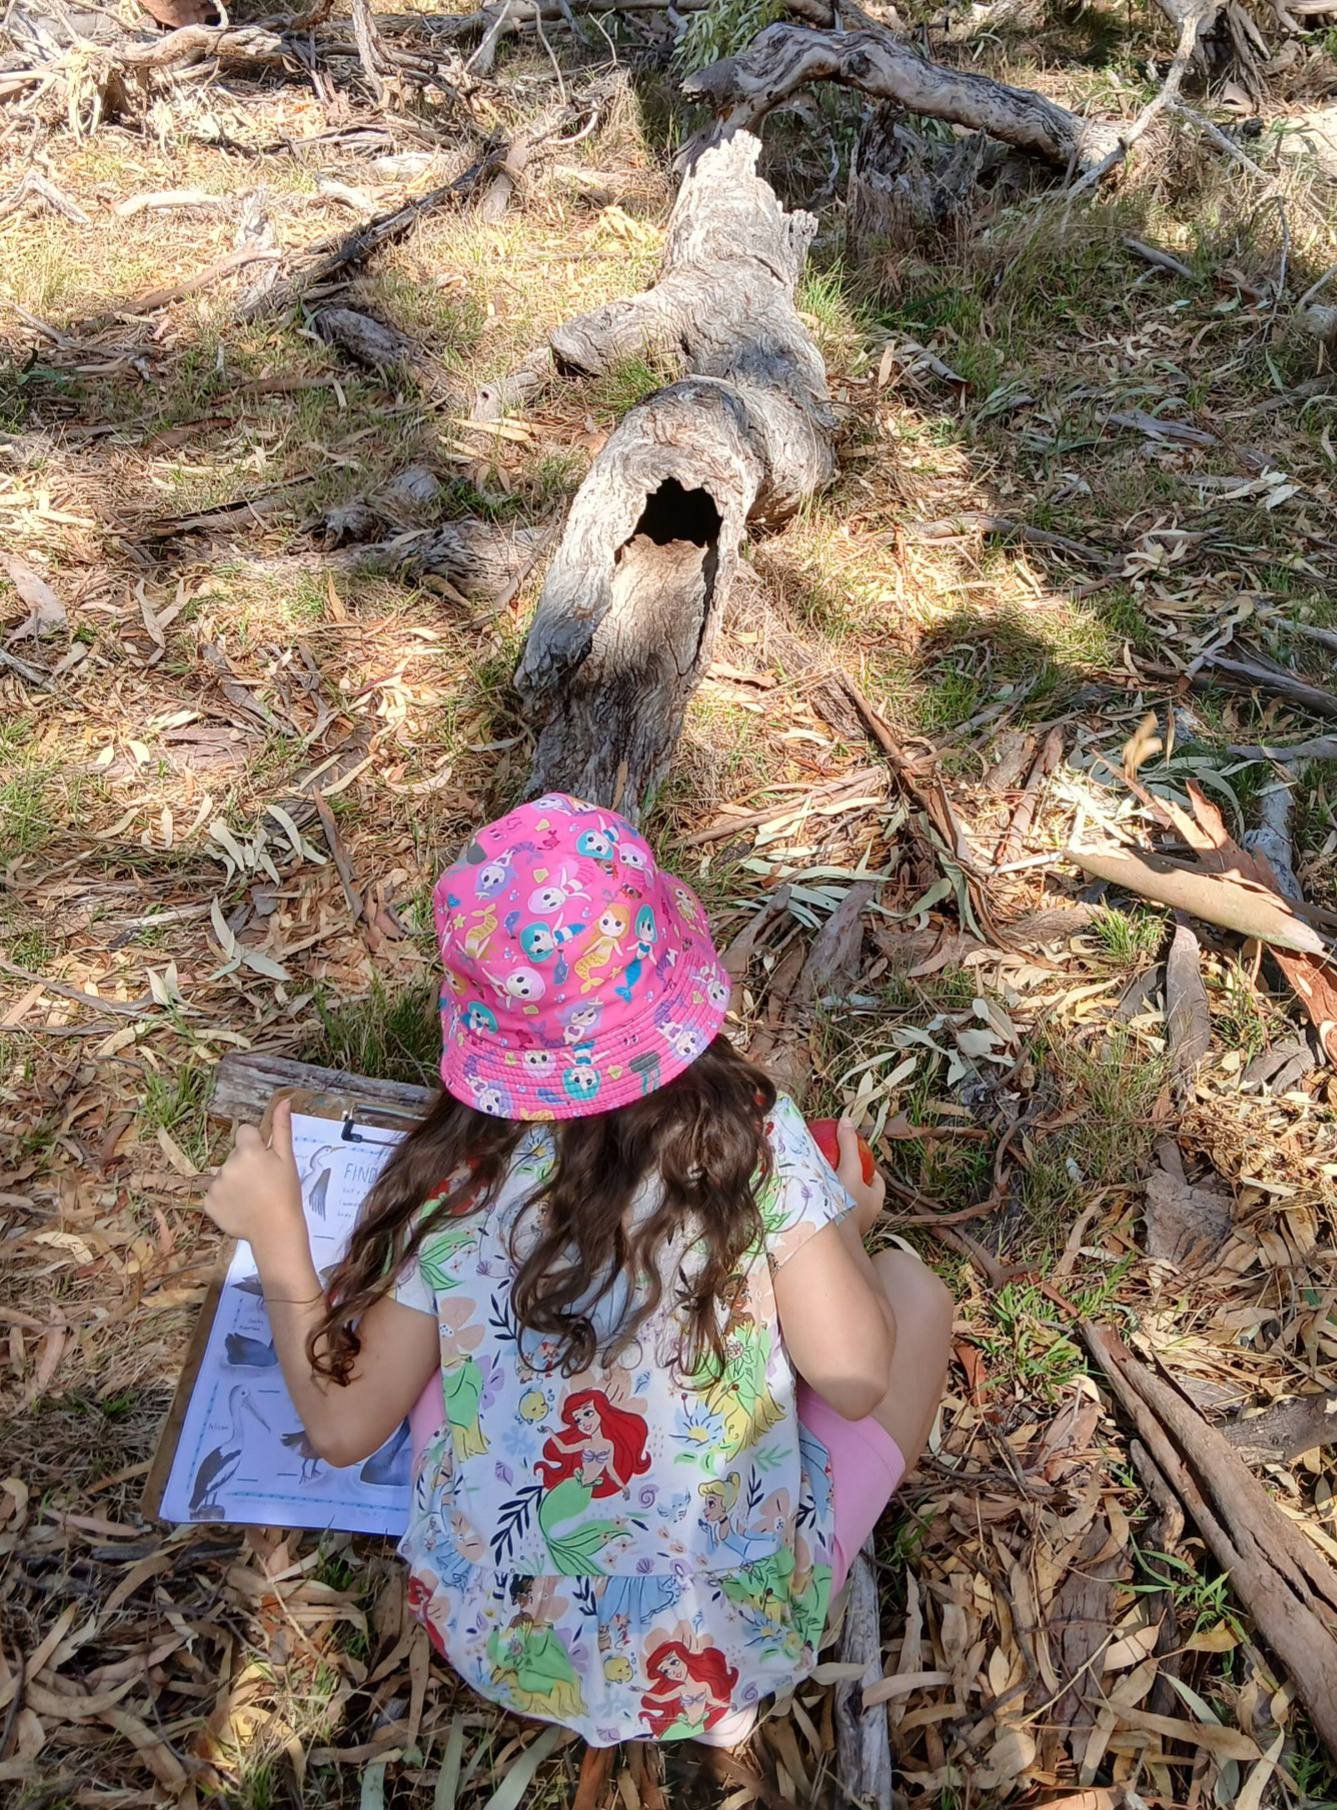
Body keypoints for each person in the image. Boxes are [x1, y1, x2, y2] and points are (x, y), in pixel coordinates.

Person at [201, 793, 954, 1749]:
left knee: (444, 1364)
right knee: (914, 1294)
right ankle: (715, 1705)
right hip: (736, 1636)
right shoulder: (754, 1141)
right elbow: (854, 1378)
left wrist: (275, 1232)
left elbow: (344, 1428)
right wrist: (839, 1222)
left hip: (503, 1643)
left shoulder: (466, 1183)